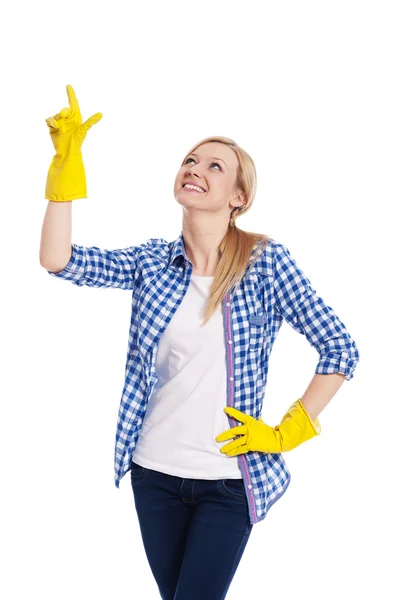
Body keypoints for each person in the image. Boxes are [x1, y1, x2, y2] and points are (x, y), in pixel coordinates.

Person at [40, 84, 360, 600]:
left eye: (215, 166)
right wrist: (63, 174)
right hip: (153, 473)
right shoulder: (151, 262)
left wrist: (285, 433)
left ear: (239, 197)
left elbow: (340, 349)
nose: (196, 168)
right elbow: (60, 261)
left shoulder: (265, 263)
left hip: (228, 482)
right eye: (191, 160)